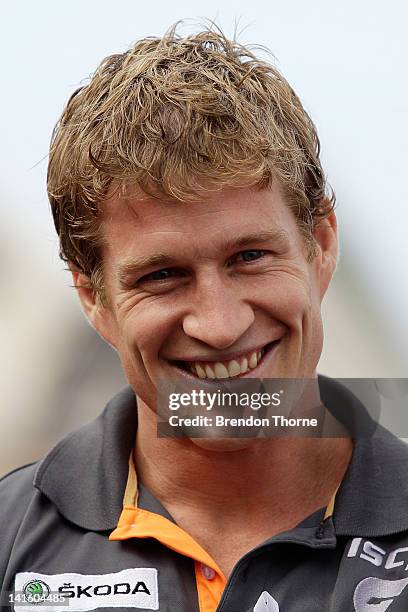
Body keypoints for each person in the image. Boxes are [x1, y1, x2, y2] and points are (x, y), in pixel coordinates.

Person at [1, 24, 408, 612]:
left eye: (249, 257)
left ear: (321, 245)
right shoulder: (12, 547)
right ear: (93, 298)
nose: (218, 326)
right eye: (162, 276)